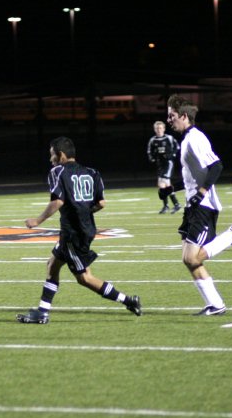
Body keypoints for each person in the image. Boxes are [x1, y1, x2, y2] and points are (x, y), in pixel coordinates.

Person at [17, 136, 141, 324]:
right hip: (85, 228)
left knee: (84, 278)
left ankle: (128, 300)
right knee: (52, 265)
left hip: (73, 233)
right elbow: (101, 203)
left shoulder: (58, 171)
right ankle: (42, 312)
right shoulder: (92, 172)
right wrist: (83, 210)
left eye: (52, 155)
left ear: (61, 155)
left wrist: (37, 220)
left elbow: (58, 201)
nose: (51, 159)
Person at [166, 94, 232, 317]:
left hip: (203, 205)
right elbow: (193, 177)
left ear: (184, 116)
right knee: (188, 259)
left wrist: (202, 193)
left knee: (193, 257)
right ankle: (215, 304)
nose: (169, 120)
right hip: (193, 205)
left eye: (172, 116)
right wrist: (170, 189)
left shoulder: (195, 138)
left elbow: (216, 166)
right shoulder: (186, 140)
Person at [147, 120, 182, 214]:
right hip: (160, 165)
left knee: (162, 184)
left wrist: (172, 155)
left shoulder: (169, 138)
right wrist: (152, 158)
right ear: (155, 129)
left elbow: (177, 147)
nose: (159, 130)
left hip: (168, 163)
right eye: (157, 128)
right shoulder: (153, 140)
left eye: (160, 128)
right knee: (166, 185)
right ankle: (176, 204)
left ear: (164, 129)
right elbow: (149, 151)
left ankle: (166, 206)